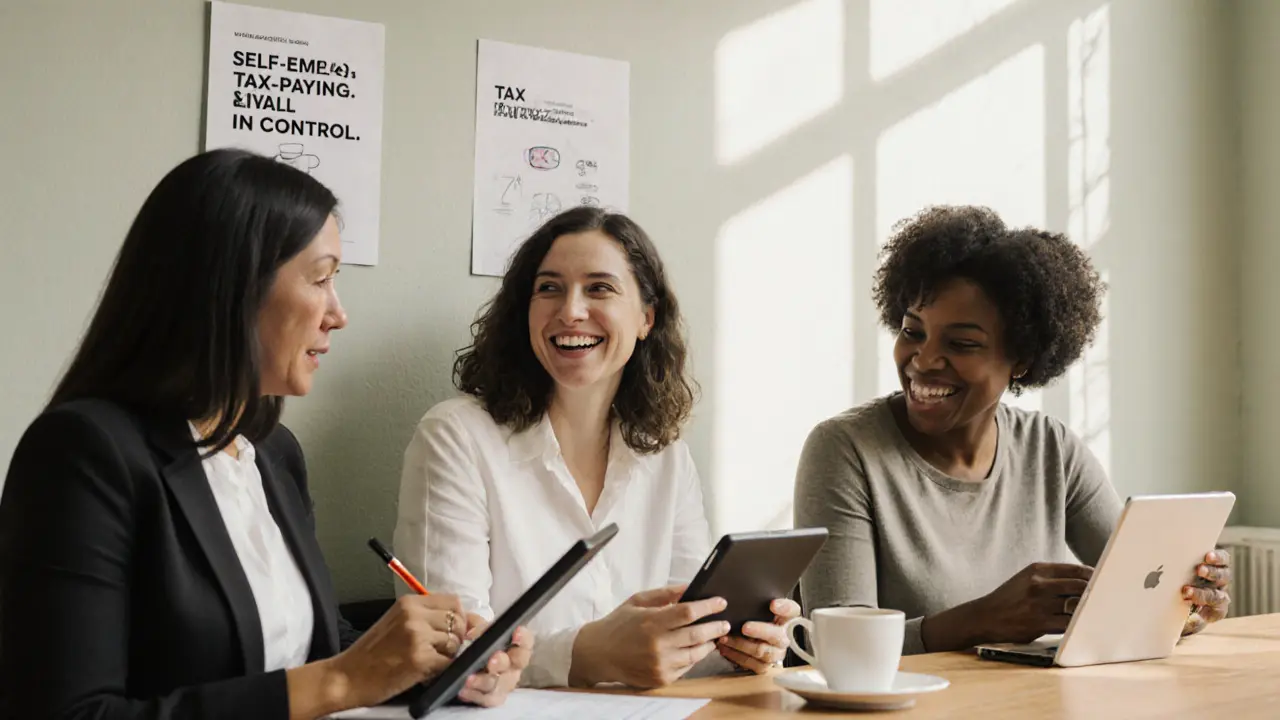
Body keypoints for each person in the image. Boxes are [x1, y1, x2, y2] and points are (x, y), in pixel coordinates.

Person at [0, 149, 531, 720]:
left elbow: (310, 650)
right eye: (321, 279)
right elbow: (65, 714)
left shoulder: (273, 454)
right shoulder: (84, 452)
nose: (338, 313)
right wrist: (341, 681)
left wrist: (440, 663)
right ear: (231, 288)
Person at [392, 206, 800, 689]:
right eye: (549, 288)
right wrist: (583, 655)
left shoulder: (667, 458)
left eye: (600, 288)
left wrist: (741, 650)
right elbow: (448, 651)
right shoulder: (456, 437)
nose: (570, 311)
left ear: (647, 318)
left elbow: (684, 642)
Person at [794, 205, 1231, 655]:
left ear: (1021, 358)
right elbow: (835, 647)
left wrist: (1186, 603)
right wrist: (984, 619)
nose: (923, 361)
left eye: (961, 343)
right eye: (913, 331)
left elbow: (1139, 590)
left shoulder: (1051, 449)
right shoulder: (845, 449)